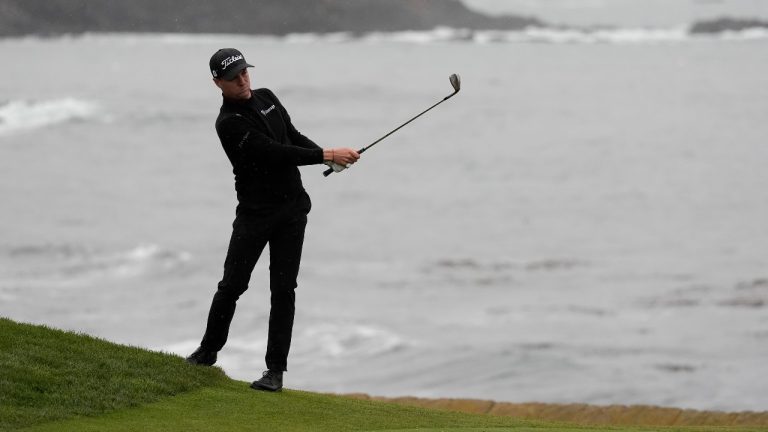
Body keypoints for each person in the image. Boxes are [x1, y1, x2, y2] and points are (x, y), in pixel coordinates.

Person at [186, 48, 360, 392]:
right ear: (217, 83)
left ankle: (275, 372)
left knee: (283, 290)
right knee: (232, 285)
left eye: (245, 73)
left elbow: (290, 137)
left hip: (292, 212)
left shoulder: (267, 98)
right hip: (255, 215)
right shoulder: (229, 124)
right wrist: (325, 154)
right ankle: (208, 351)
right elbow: (273, 152)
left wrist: (328, 158)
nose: (242, 81)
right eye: (233, 77)